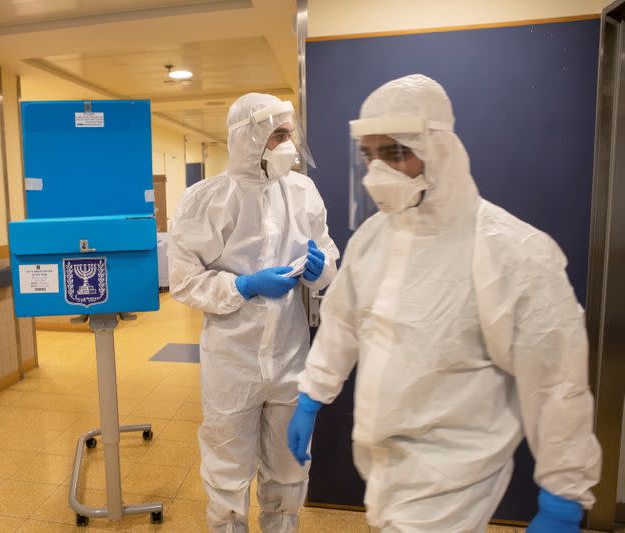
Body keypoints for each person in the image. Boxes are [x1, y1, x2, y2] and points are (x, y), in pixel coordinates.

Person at [287, 74, 601, 533]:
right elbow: (343, 323)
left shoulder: (511, 252)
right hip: (382, 463)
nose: (378, 171)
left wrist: (563, 493)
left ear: (438, 150)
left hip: (456, 474)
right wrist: (312, 393)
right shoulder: (376, 236)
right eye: (369, 155)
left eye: (395, 152)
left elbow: (557, 383)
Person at [169, 92, 339, 532]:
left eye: (289, 134)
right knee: (227, 472)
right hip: (232, 359)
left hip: (289, 356)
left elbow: (329, 258)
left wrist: (319, 271)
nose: (287, 144)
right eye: (277, 134)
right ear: (249, 138)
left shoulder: (302, 192)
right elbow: (185, 280)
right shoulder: (206, 200)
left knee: (287, 470)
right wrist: (242, 286)